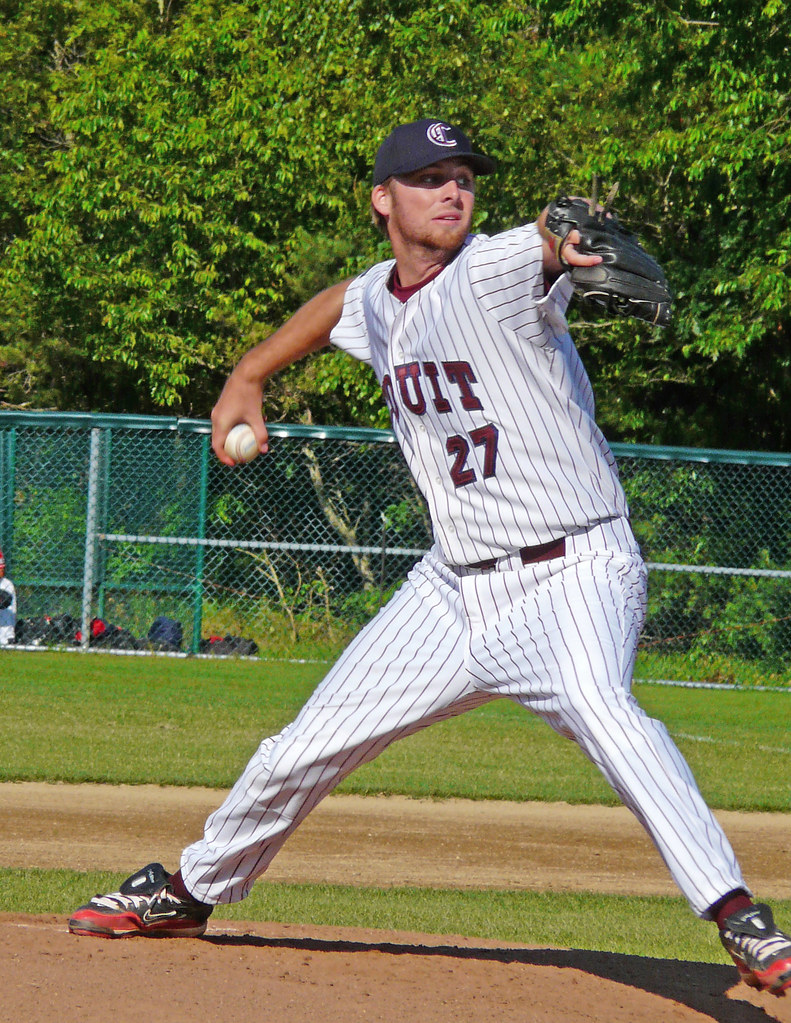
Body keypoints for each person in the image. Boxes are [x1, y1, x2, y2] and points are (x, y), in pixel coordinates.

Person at [69, 118, 791, 996]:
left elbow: (544, 241)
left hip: (571, 570)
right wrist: (248, 372)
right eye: (428, 177)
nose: (453, 190)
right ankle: (190, 890)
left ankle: (736, 913)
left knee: (607, 715)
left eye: (464, 177)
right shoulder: (380, 299)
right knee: (300, 747)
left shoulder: (489, 271)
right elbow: (341, 301)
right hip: (450, 588)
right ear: (383, 199)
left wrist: (563, 238)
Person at [0, 549, 17, 645]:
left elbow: (4, 600)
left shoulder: (6, 584)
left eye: (2, 568)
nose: (2, 571)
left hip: (4, 638)